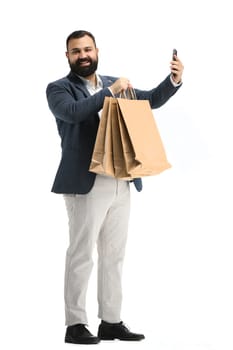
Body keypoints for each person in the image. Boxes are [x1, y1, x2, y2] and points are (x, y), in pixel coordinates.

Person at [46, 30, 184, 345]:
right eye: (76, 51)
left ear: (97, 51)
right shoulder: (59, 89)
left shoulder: (111, 82)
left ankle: (111, 321)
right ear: (67, 56)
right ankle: (75, 324)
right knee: (81, 253)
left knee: (114, 254)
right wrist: (110, 94)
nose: (83, 55)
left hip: (121, 178)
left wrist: (173, 80)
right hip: (85, 182)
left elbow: (149, 101)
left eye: (87, 49)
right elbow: (73, 114)